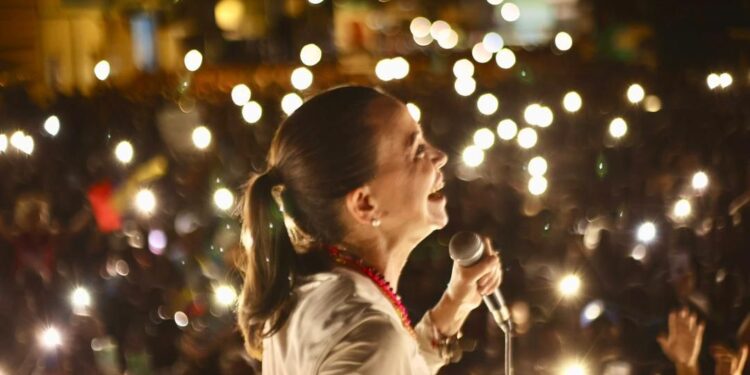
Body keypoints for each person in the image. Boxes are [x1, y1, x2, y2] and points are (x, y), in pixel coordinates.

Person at [236, 86, 502, 374]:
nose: (439, 156)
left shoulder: (315, 288)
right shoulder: (371, 335)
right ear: (365, 204)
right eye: (416, 151)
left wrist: (455, 304)